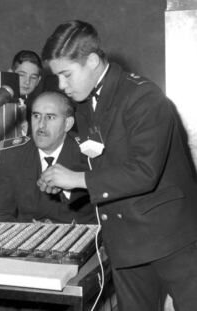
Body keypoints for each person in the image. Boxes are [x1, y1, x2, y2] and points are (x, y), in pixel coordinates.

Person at [39, 20, 197, 311]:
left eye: (66, 75)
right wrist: (64, 183)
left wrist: (77, 179)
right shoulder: (85, 105)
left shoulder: (144, 97)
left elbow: (144, 173)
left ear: (93, 61)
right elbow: (105, 164)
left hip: (172, 240)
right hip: (125, 244)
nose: (61, 86)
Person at [0, 91, 94, 224]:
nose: (41, 125)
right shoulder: (14, 154)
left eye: (50, 117)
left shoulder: (88, 155)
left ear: (67, 124)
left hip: (78, 238)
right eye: (36, 116)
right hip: (28, 239)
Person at [9, 50, 43, 136]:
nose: (27, 82)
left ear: (38, 81)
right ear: (10, 74)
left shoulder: (40, 109)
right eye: (21, 75)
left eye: (33, 77)